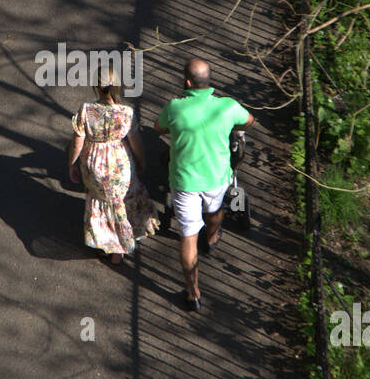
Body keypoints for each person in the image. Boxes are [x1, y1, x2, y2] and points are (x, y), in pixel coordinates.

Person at [155, 58, 255, 311]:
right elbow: (249, 121)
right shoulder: (227, 107)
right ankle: (211, 237)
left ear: (187, 82)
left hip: (185, 182)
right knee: (214, 210)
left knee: (187, 237)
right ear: (209, 80)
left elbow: (159, 128)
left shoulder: (175, 107)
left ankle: (193, 293)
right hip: (216, 178)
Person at [68, 65, 158, 264]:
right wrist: (142, 160)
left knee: (101, 201)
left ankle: (107, 242)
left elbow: (77, 142)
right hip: (119, 165)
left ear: (95, 87)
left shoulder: (86, 111)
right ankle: (121, 247)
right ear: (118, 86)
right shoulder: (126, 113)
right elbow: (136, 143)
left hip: (94, 165)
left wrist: (72, 164)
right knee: (121, 200)